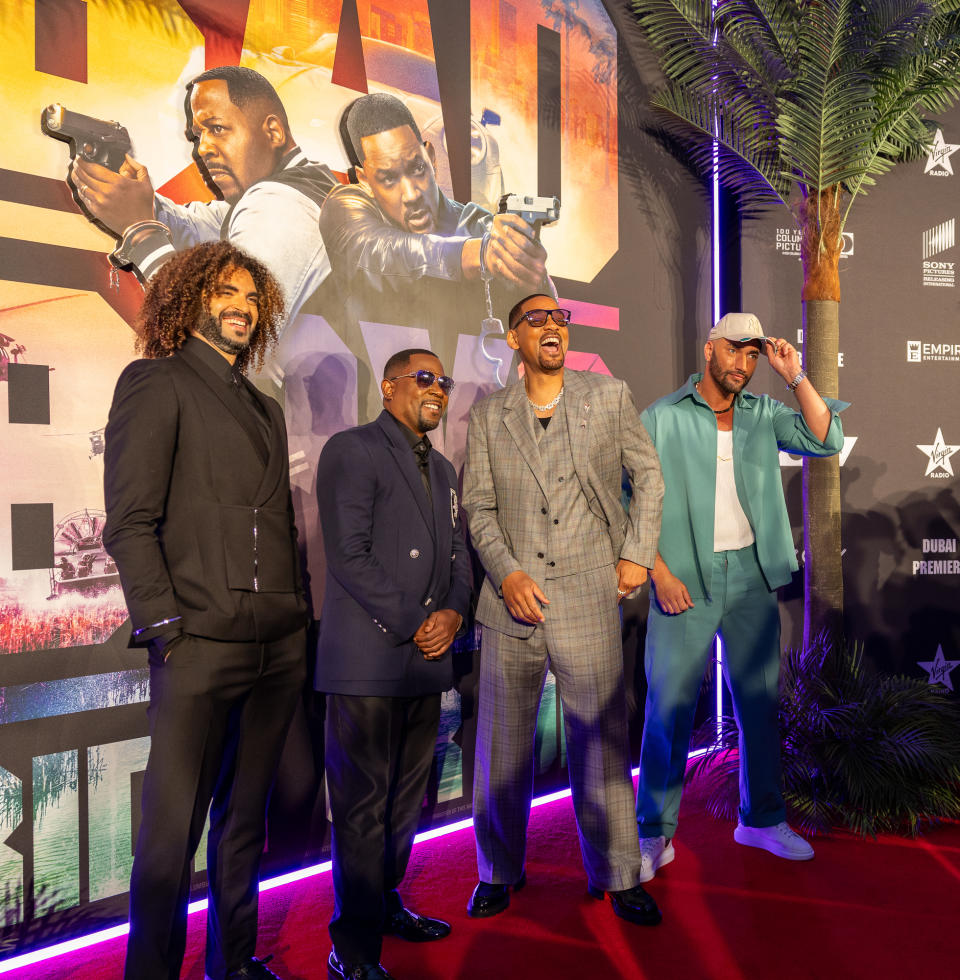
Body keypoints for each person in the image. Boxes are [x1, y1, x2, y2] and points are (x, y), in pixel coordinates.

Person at [102, 241, 308, 980]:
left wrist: (297, 622)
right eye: (226, 292)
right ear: (190, 300)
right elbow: (128, 523)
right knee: (169, 839)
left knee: (244, 824)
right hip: (196, 647)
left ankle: (235, 963)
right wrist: (166, 631)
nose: (242, 307)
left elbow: (278, 523)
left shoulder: (266, 407)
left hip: (276, 646)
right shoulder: (154, 383)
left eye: (252, 297)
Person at [461, 293, 665, 926]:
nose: (551, 325)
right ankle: (497, 870)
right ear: (515, 340)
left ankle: (618, 874)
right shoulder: (490, 415)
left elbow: (649, 475)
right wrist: (508, 572)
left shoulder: (606, 396)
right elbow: (479, 507)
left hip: (587, 596)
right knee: (502, 750)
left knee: (601, 745)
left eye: (560, 318)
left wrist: (637, 554)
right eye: (536, 320)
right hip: (510, 603)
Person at [634, 313, 847, 880]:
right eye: (735, 351)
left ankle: (760, 819)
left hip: (752, 575)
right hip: (682, 579)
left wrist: (795, 375)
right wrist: (656, 571)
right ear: (710, 349)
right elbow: (626, 500)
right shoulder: (662, 417)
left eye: (753, 356)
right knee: (669, 710)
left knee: (760, 705)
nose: (744, 365)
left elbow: (828, 439)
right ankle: (654, 833)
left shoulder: (764, 413)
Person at [315, 349, 473, 980]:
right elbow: (349, 556)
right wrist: (416, 622)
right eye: (424, 378)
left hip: (426, 662)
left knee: (406, 804)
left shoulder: (443, 470)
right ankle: (351, 950)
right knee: (360, 809)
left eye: (444, 381)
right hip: (368, 661)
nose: (438, 389)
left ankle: (383, 906)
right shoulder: (351, 449)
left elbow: (461, 558)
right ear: (388, 387)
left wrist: (455, 615)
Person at [319, 92, 551, 423]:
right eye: (388, 178)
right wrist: (471, 254)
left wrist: (531, 275)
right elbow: (376, 251)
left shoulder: (480, 225)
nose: (411, 193)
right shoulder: (346, 209)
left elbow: (543, 329)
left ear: (431, 156)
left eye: (416, 169)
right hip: (383, 439)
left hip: (471, 444)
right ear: (364, 180)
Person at [69, 65, 337, 327]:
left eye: (217, 128)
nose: (203, 149)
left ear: (273, 132)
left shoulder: (282, 205)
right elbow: (196, 227)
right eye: (198, 135)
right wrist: (130, 194)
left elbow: (218, 333)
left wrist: (140, 231)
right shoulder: (295, 187)